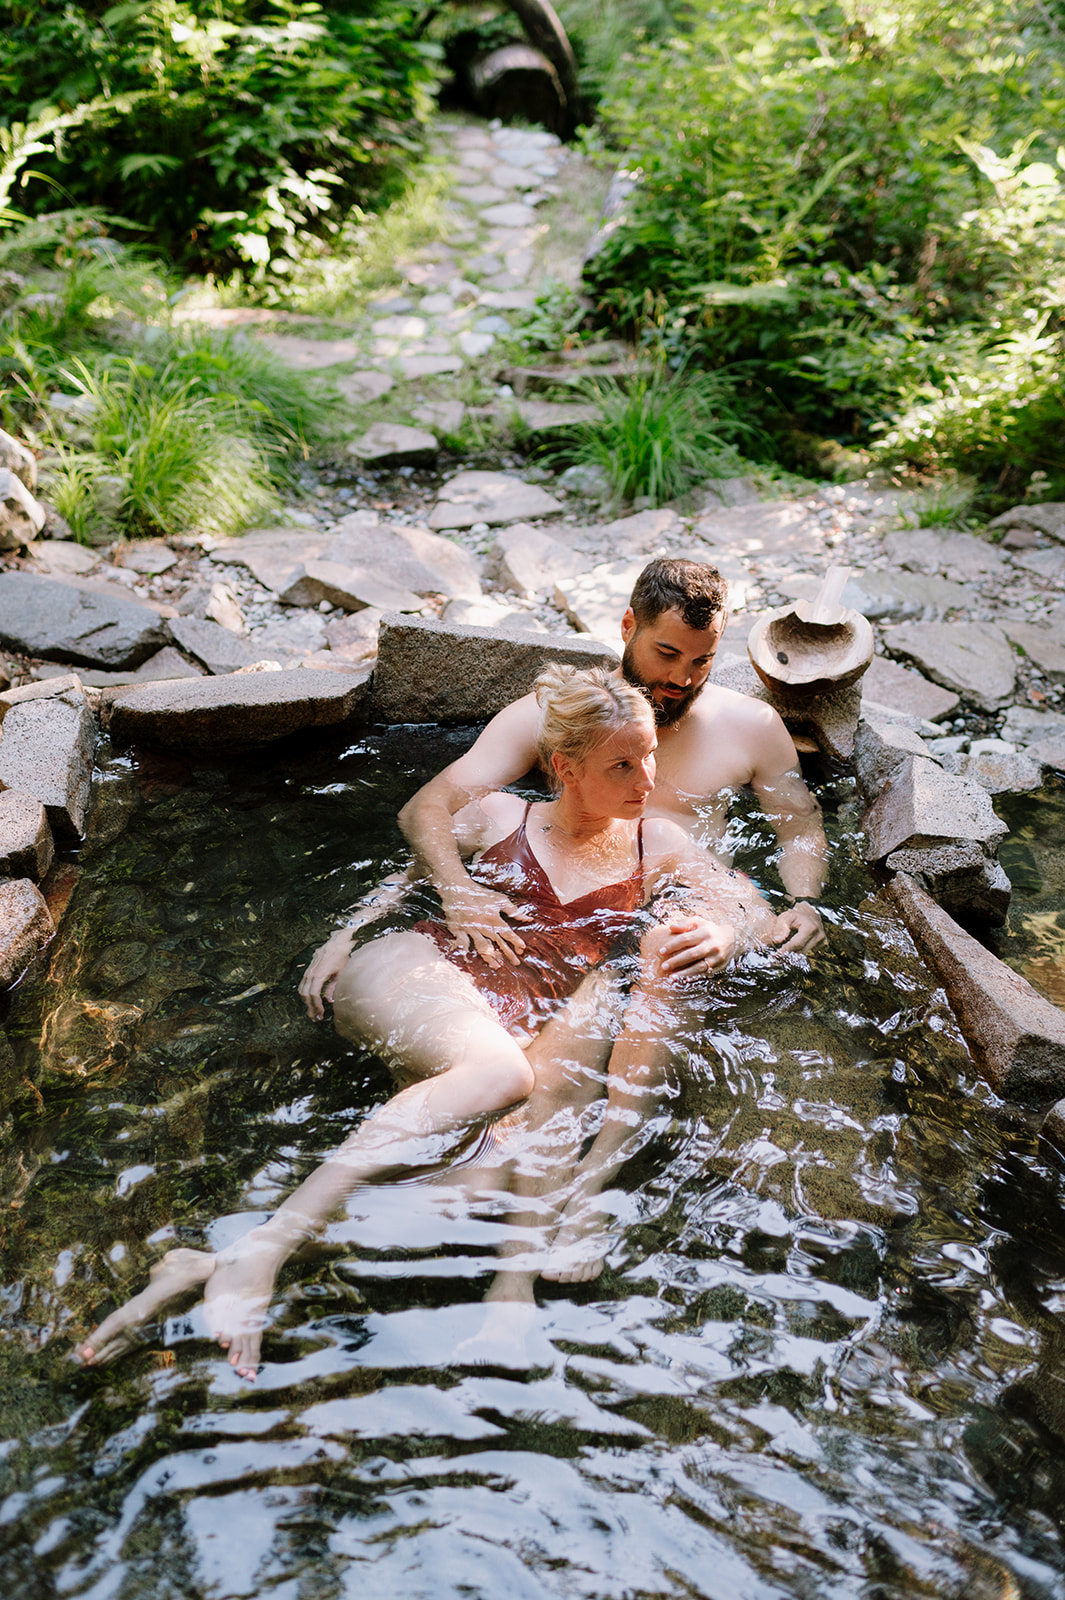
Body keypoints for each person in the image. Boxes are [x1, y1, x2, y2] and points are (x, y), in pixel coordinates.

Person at [75, 665, 777, 1380]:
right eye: (621, 764)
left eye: (650, 754)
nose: (645, 777)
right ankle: (267, 1251)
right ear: (564, 767)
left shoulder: (655, 845)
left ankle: (208, 1260)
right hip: (419, 976)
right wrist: (347, 933)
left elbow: (748, 909)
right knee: (503, 1073)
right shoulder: (503, 816)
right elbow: (409, 865)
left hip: (500, 1030)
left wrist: (729, 935)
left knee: (453, 1199)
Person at [398, 557, 828, 968]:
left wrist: (804, 904)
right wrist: (457, 891)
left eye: (702, 661)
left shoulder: (751, 727)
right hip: (567, 908)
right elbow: (430, 807)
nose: (682, 679)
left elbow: (799, 827)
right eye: (667, 653)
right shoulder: (554, 716)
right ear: (628, 627)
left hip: (690, 916)